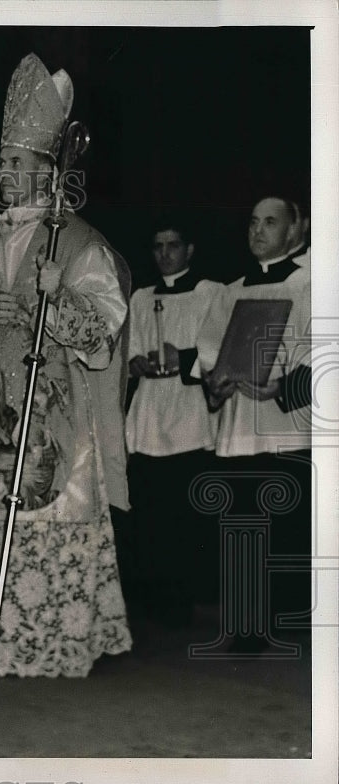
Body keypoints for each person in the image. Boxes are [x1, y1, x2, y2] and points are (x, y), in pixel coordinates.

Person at [0, 53, 132, 678]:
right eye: (2, 163)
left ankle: (44, 641)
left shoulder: (77, 242)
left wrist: (59, 296)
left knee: (46, 514)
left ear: (50, 171)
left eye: (18, 163)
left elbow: (103, 328)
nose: (6, 173)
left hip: (54, 410)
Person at [194, 196, 312, 650]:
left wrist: (282, 389)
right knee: (242, 528)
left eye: (270, 222)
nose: (258, 231)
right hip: (239, 425)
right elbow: (210, 354)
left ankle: (292, 622)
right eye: (253, 222)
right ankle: (246, 627)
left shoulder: (311, 285)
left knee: (288, 530)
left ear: (294, 230)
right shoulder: (230, 289)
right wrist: (215, 385)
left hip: (289, 426)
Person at [124, 218, 223, 625]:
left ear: (190, 250)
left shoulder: (210, 293)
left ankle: (189, 598)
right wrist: (137, 362)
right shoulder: (140, 297)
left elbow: (217, 349)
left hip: (188, 408)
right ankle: (152, 598)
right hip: (150, 410)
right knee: (149, 509)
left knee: (186, 513)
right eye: (158, 246)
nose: (165, 254)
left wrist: (180, 357)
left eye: (173, 245)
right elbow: (127, 353)